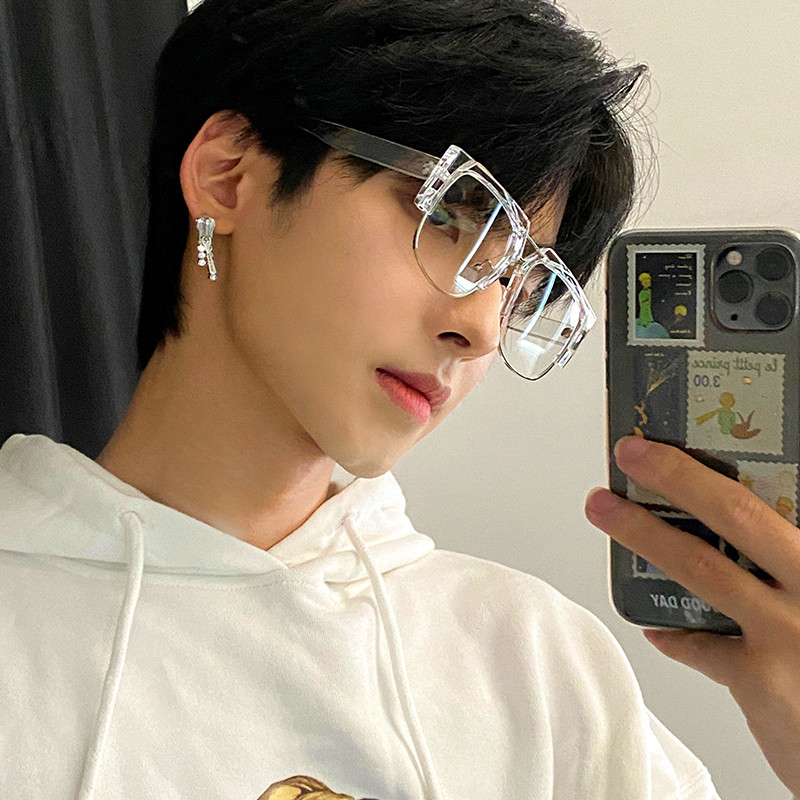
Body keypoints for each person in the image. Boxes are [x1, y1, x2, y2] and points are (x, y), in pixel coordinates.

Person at [1, 0, 798, 798]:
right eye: (448, 214)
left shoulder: (534, 666)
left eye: (521, 285)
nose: (480, 327)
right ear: (229, 175)